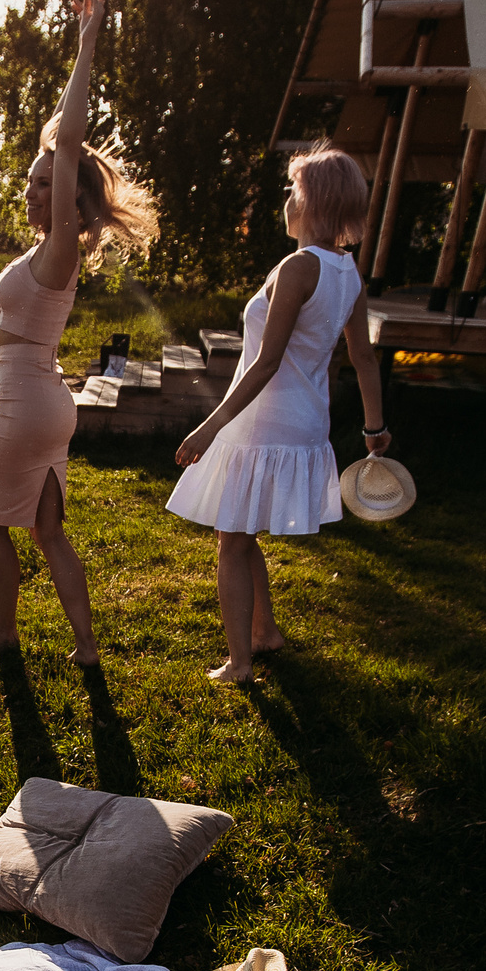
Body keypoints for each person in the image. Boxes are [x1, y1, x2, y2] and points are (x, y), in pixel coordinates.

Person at [0, 0, 158, 668]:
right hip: (52, 403)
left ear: (73, 199)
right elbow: (60, 141)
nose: (31, 188)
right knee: (50, 532)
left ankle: (4, 633)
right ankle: (85, 648)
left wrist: (87, 43)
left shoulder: (59, 250)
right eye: (29, 179)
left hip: (25, 408)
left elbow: (69, 134)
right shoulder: (51, 253)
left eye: (46, 181)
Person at [166, 146, 390, 684]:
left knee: (232, 537)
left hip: (263, 420)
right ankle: (265, 633)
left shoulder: (298, 267)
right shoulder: (348, 274)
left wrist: (209, 425)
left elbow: (265, 363)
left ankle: (240, 662)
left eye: (293, 191)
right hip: (303, 422)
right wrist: (374, 428)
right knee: (242, 533)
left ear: (312, 203)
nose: (287, 201)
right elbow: (362, 357)